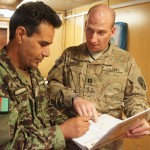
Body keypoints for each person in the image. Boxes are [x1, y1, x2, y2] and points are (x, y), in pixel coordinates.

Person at [47, 4, 150, 150]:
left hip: (108, 145)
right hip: (70, 143)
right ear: (85, 25)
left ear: (112, 31)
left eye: (101, 32)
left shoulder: (125, 61)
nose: (93, 39)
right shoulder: (69, 55)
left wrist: (139, 119)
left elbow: (135, 96)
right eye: (90, 30)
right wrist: (73, 98)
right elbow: (50, 85)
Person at [0, 1, 91, 149]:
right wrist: (62, 132)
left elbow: (45, 111)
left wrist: (78, 123)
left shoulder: (32, 70)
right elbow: (8, 144)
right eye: (43, 44)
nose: (47, 53)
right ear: (21, 34)